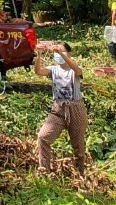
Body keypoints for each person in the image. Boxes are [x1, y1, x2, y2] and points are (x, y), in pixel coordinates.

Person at [34, 40, 88, 174]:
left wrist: (62, 54)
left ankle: (79, 174)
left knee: (78, 145)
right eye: (56, 52)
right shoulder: (53, 69)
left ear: (69, 53)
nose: (58, 54)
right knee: (43, 137)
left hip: (75, 108)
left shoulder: (73, 69)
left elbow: (78, 71)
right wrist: (38, 54)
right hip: (58, 108)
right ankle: (44, 171)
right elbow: (38, 71)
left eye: (62, 51)